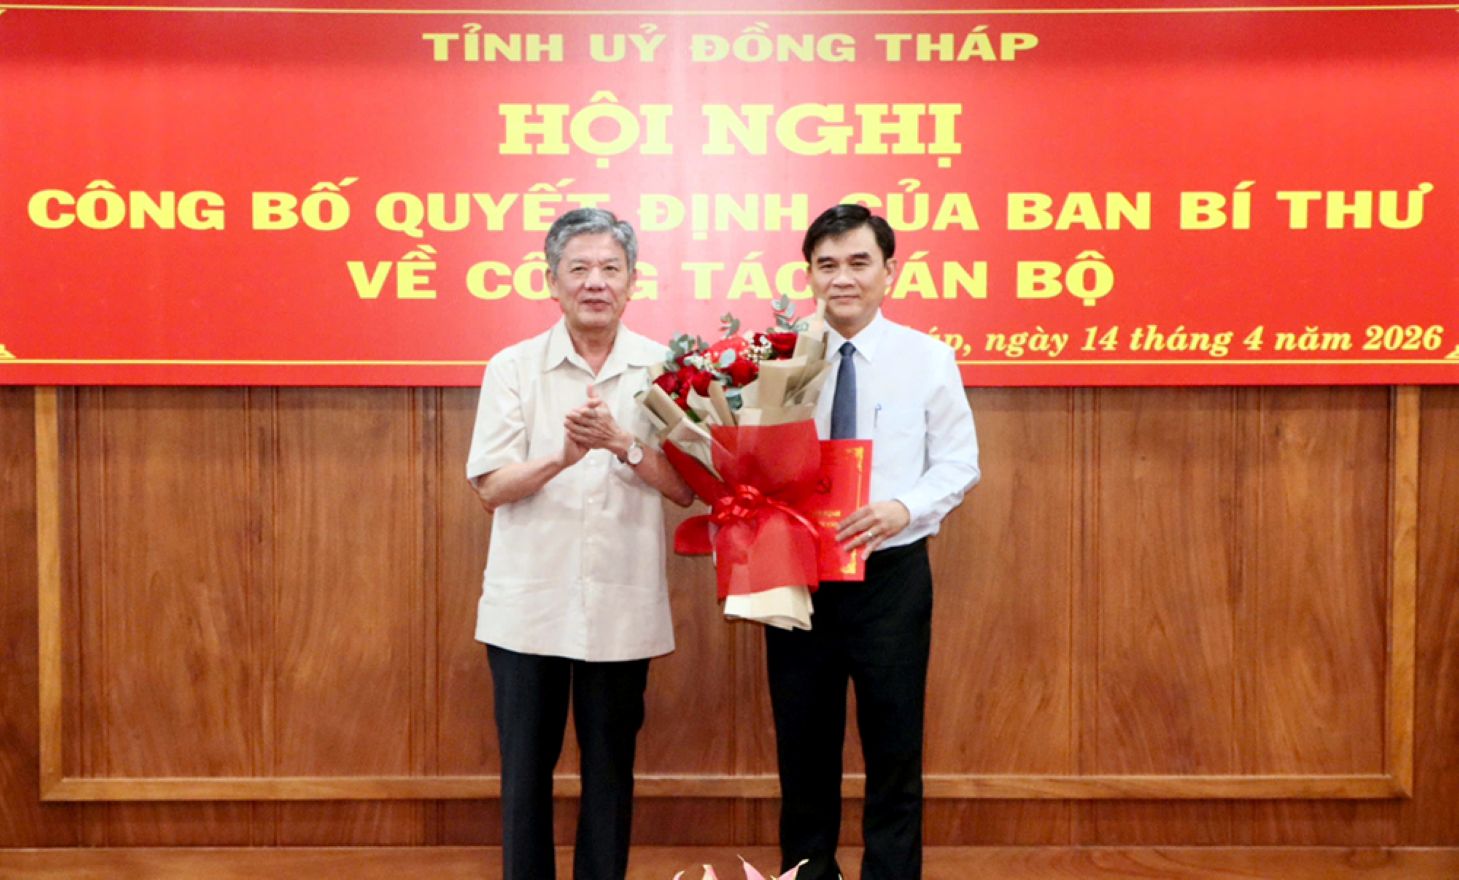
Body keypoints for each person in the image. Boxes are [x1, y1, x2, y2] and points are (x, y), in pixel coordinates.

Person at [465, 207, 693, 880]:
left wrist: (622, 445)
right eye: (579, 269)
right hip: (526, 608)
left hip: (622, 606)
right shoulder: (512, 367)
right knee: (525, 778)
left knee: (609, 775)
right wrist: (561, 457)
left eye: (610, 269)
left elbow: (685, 489)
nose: (595, 282)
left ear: (632, 282)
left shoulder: (665, 369)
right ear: (551, 281)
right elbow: (489, 487)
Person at [765, 203, 981, 880]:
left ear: (889, 271)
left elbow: (958, 462)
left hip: (889, 576)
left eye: (858, 263)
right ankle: (807, 873)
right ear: (808, 275)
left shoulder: (927, 358)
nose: (842, 279)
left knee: (893, 750)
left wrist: (900, 507)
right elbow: (743, 454)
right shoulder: (775, 357)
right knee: (803, 749)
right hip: (797, 575)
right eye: (826, 265)